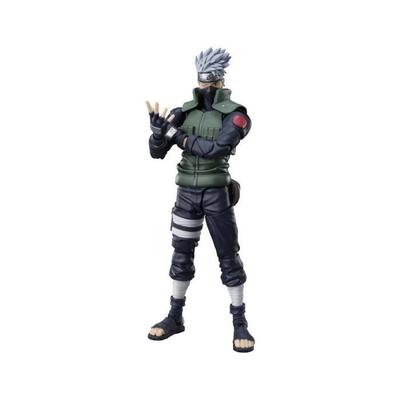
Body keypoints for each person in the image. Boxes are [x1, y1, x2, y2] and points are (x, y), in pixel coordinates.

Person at [146, 48, 255, 352]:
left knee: (228, 257)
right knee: (181, 255)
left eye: (211, 80)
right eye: (202, 80)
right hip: (186, 193)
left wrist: (177, 136)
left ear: (221, 80)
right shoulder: (182, 112)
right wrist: (158, 134)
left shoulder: (236, 116)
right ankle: (175, 315)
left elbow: (215, 150)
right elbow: (156, 153)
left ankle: (239, 321)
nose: (206, 86)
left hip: (216, 193)